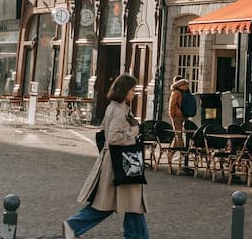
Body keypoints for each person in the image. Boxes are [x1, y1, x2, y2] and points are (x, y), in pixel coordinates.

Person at [64, 75, 149, 239]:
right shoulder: (118, 111)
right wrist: (133, 133)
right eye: (132, 90)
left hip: (116, 161)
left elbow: (103, 132)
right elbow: (113, 137)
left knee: (121, 203)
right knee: (124, 203)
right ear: (124, 91)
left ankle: (73, 226)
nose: (134, 93)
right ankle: (73, 226)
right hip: (121, 162)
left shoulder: (115, 107)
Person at [166, 79, 198, 174]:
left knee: (178, 135)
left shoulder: (175, 92)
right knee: (178, 136)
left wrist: (172, 115)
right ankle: (172, 155)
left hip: (176, 116)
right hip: (185, 115)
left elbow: (171, 106)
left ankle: (181, 152)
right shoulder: (186, 91)